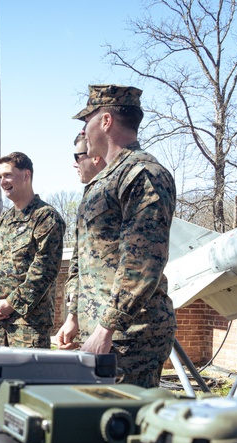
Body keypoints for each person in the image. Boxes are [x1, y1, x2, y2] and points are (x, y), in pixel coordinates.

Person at [53, 85, 177, 388]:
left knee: (124, 429)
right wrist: (74, 316)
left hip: (129, 338)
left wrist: (106, 329)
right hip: (101, 332)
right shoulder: (101, 182)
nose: (84, 130)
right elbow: (84, 257)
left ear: (105, 121)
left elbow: (143, 262)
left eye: (87, 121)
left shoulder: (142, 174)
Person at [0, 152, 65, 348]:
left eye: (8, 175)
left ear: (26, 175)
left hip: (29, 325)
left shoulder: (46, 217)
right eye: (0, 176)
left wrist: (11, 303)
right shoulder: (3, 221)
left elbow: (44, 270)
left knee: (28, 379)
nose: (3, 181)